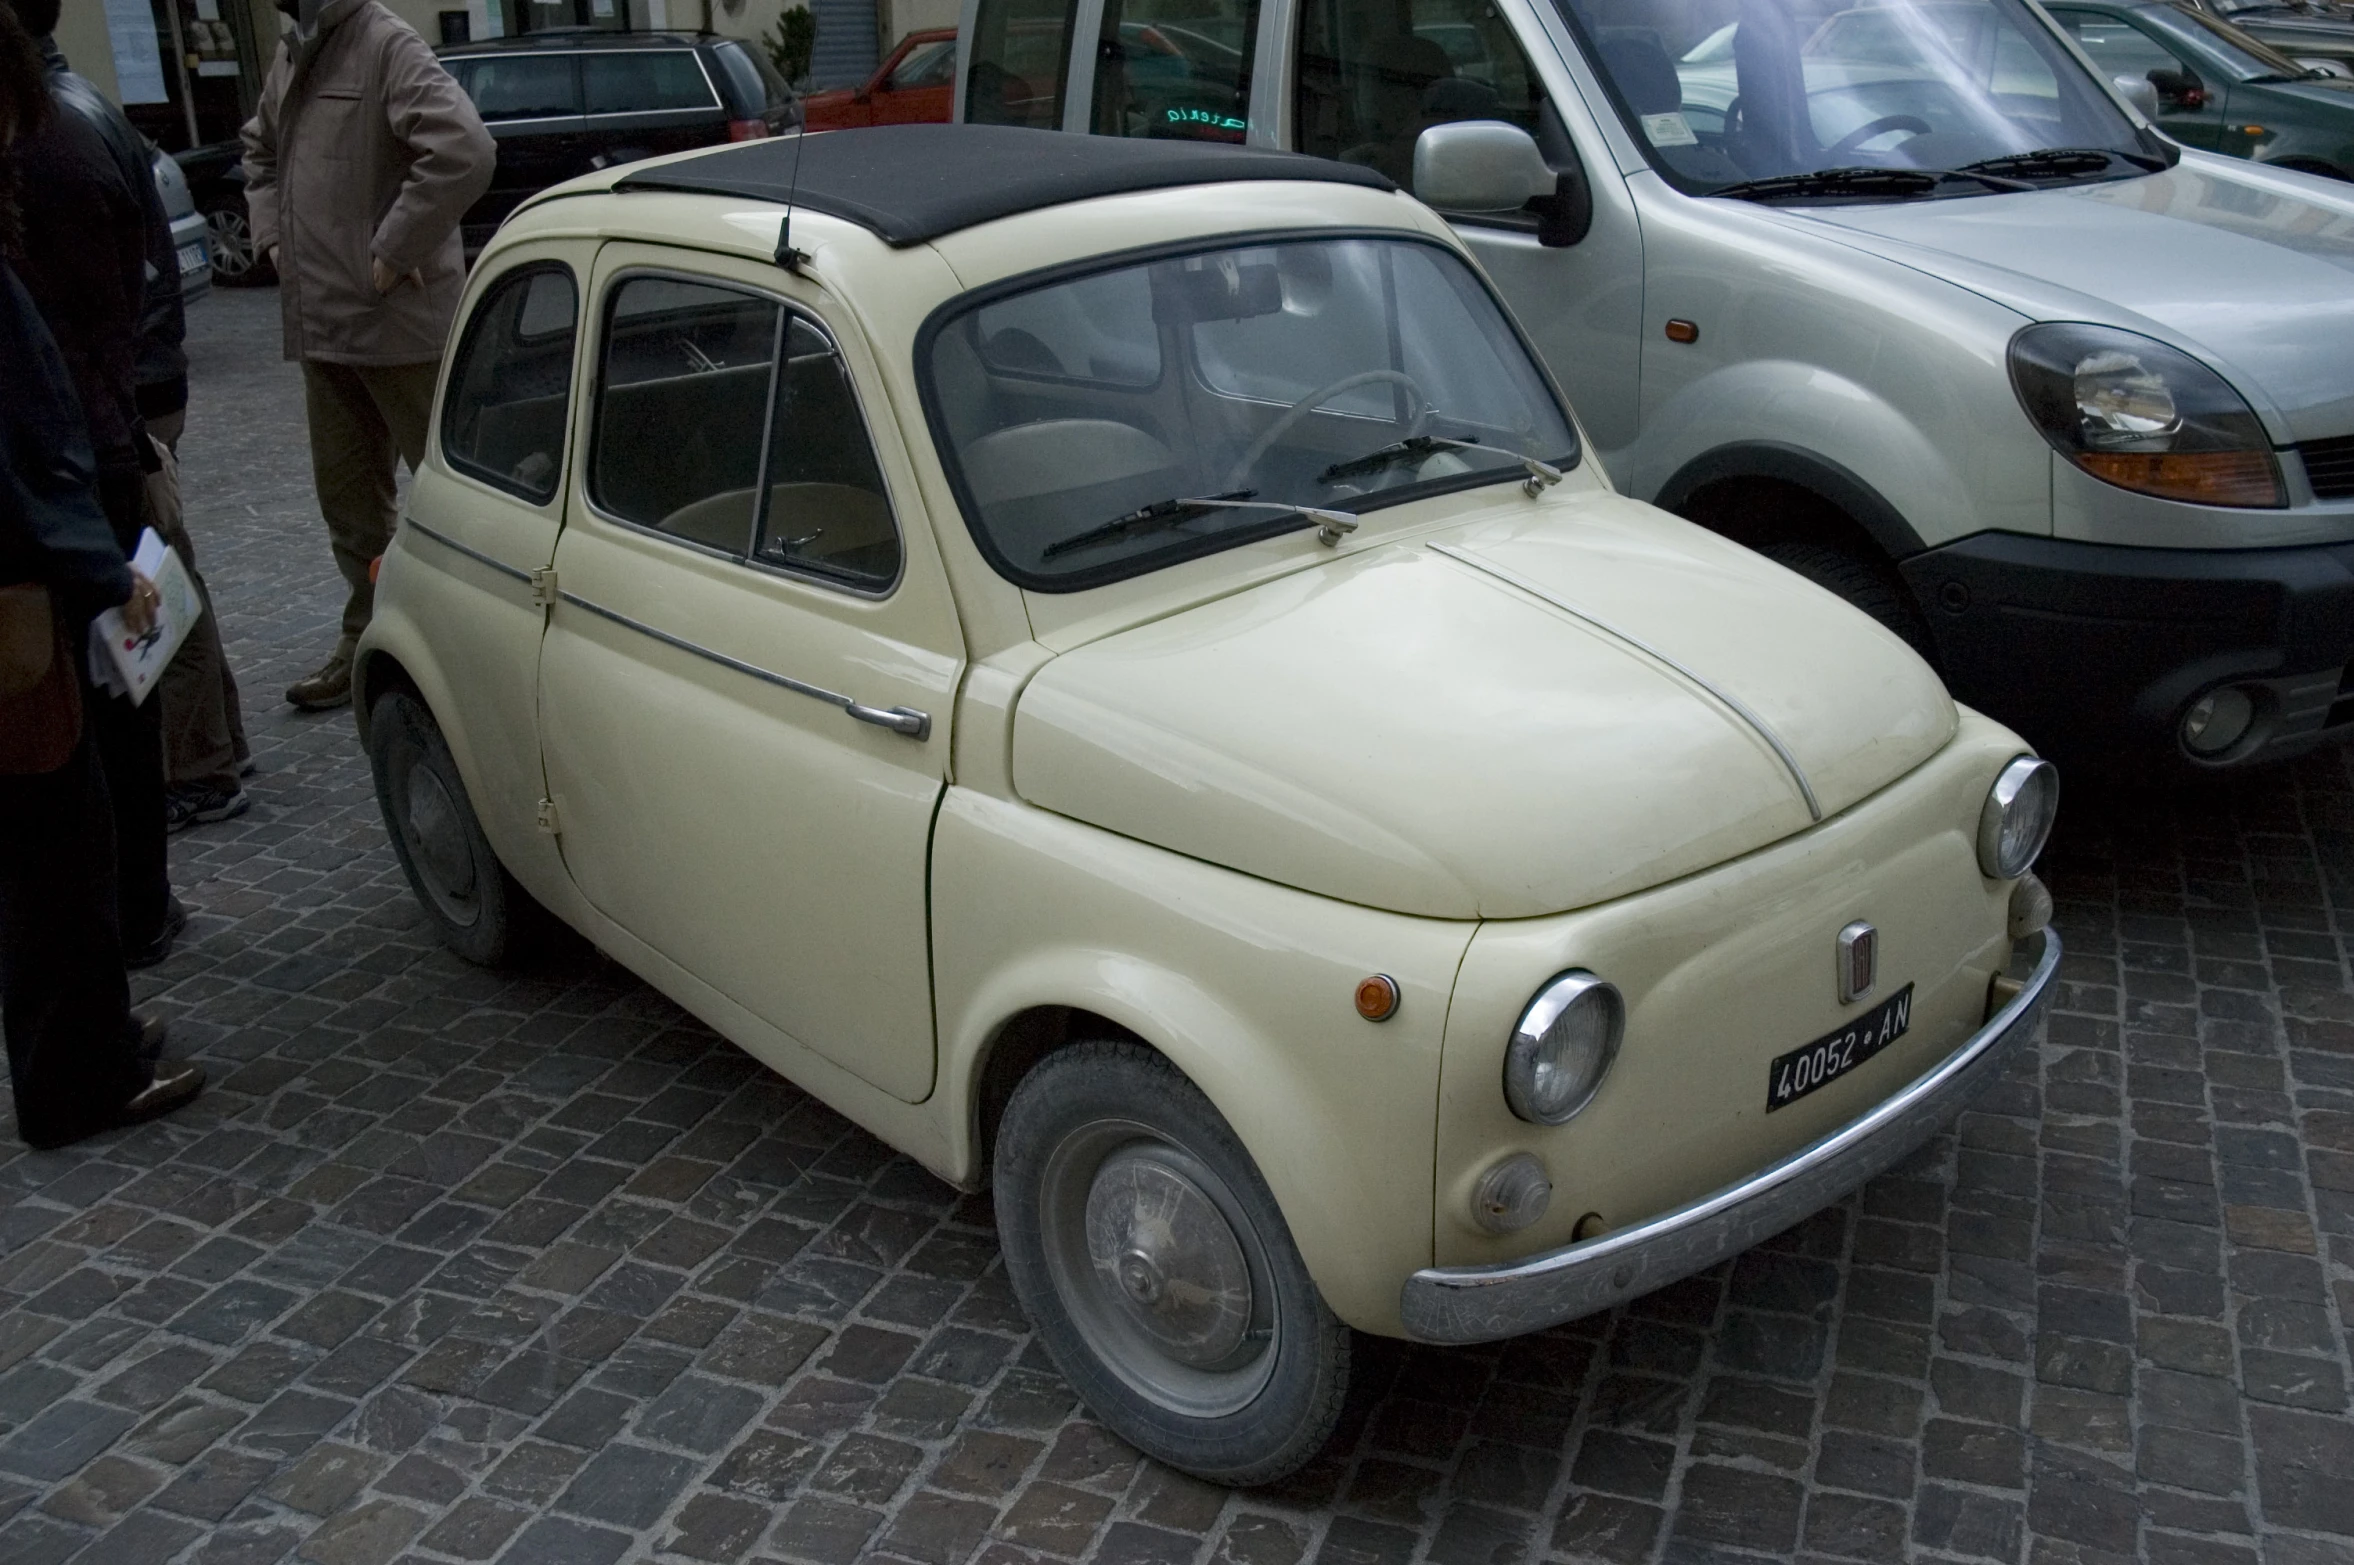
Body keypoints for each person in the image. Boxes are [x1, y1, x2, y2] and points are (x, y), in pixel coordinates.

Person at [0, 0, 204, 1149]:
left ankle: (86, 1040)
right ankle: (78, 1074)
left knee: (50, 840)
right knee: (53, 844)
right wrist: (92, 562)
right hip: (28, 582)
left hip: (41, 553)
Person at [12, 0, 253, 828]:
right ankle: (210, 750)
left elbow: (99, 305)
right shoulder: (80, 111)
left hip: (120, 408)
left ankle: (198, 763)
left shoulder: (56, 134)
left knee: (149, 584)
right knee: (164, 570)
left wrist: (127, 411)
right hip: (129, 396)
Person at [242, 0, 491, 711]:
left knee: (454, 498)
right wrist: (274, 242)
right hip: (323, 328)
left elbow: (465, 150)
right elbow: (258, 151)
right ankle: (372, 634)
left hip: (400, 327)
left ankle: (481, 651)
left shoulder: (385, 44)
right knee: (350, 505)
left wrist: (391, 249)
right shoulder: (294, 51)